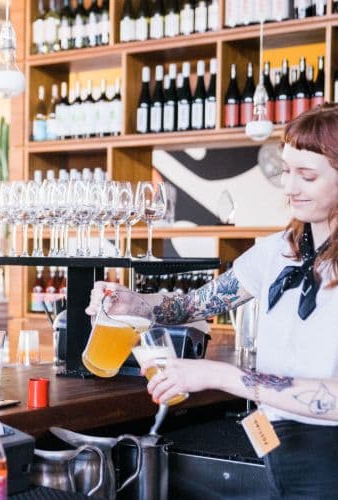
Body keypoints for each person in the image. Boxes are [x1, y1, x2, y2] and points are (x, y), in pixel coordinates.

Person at [86, 104, 338, 499]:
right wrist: (136, 304)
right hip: (273, 439)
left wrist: (218, 375)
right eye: (286, 171)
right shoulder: (276, 252)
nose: (289, 187)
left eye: (307, 176)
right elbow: (196, 306)